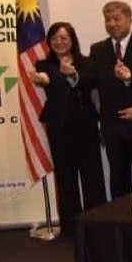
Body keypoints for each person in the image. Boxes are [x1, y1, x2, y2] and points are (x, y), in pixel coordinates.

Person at [30, 22, 106, 235]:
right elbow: (45, 79)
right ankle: (71, 228)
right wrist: (43, 78)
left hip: (86, 126)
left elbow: (91, 84)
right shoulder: (44, 64)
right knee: (66, 178)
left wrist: (72, 75)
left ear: (72, 40)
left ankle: (96, 225)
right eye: (54, 38)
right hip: (59, 128)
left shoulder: (87, 62)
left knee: (92, 176)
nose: (59, 42)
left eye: (63, 38)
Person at [89, 0, 132, 199]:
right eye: (107, 19)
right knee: (118, 181)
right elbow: (94, 86)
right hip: (112, 127)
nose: (112, 23)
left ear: (129, 19)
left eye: (117, 18)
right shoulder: (97, 50)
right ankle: (122, 219)